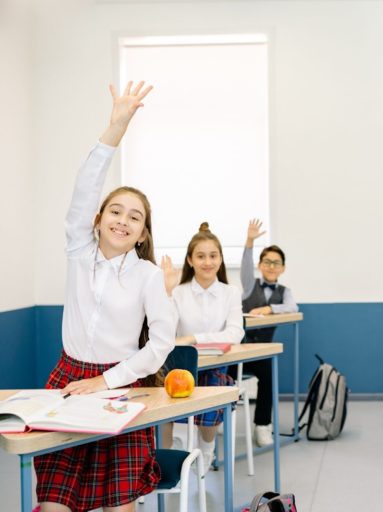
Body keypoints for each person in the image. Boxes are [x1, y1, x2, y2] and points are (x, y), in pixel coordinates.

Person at [34, 81, 175, 512]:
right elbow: (85, 185)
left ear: (143, 233)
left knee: (120, 506)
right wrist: (116, 127)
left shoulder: (148, 276)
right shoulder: (79, 252)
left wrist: (106, 380)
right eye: (115, 211)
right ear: (97, 220)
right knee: (55, 501)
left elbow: (161, 344)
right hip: (69, 381)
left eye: (135, 217)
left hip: (121, 386)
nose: (123, 220)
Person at [160, 222, 245, 470]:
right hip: (179, 370)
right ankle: (165, 459)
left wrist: (192, 338)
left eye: (213, 256)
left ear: (220, 259)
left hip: (215, 367)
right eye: (200, 256)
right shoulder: (177, 292)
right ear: (190, 260)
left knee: (212, 397)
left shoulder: (231, 292)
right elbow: (164, 332)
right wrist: (166, 292)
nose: (207, 262)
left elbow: (235, 333)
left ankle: (207, 448)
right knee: (160, 399)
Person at [232, 219, 299, 447]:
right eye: (267, 262)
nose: (271, 266)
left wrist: (270, 309)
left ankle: (262, 426)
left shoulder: (285, 292)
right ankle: (219, 421)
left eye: (276, 263)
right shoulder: (250, 286)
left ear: (283, 268)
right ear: (260, 265)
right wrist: (249, 242)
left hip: (262, 352)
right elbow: (245, 266)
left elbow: (293, 308)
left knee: (269, 378)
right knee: (224, 376)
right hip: (239, 349)